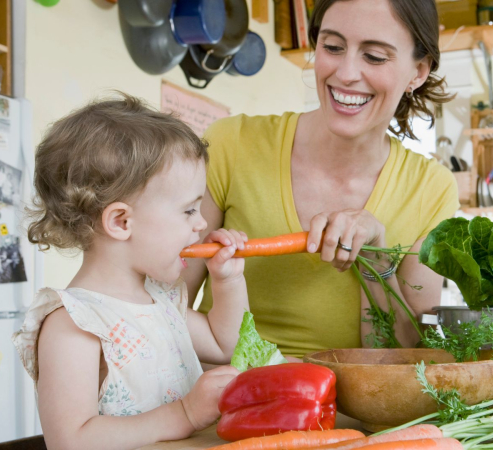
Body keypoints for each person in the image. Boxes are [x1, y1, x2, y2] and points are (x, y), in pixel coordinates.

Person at [182, 0, 459, 357]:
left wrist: (377, 263)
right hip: (225, 399)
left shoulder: (431, 189)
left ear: (418, 71)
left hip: (346, 410)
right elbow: (165, 306)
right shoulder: (230, 145)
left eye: (374, 56)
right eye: (332, 47)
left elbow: (407, 358)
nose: (345, 73)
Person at [12, 95, 249, 450]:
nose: (201, 224)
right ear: (122, 221)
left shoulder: (162, 303)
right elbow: (69, 441)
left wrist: (227, 280)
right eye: (188, 211)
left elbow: (226, 344)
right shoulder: (75, 324)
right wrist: (183, 414)